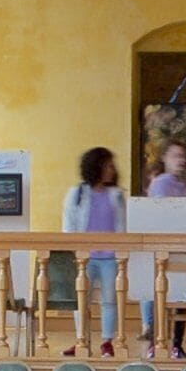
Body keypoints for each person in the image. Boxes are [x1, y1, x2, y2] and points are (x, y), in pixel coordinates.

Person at [66, 145, 127, 355]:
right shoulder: (77, 193)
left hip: (111, 256)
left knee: (110, 299)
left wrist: (122, 250)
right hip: (85, 257)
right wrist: (73, 251)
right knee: (82, 299)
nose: (112, 169)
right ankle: (81, 338)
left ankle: (106, 341)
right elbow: (69, 225)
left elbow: (123, 224)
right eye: (107, 166)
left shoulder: (116, 195)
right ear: (96, 167)